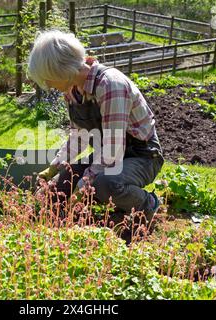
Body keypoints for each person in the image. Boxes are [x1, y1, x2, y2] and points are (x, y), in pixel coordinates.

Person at [27, 30, 164, 222]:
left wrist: (85, 184)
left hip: (142, 155)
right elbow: (79, 136)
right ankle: (112, 203)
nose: (47, 84)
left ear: (59, 69)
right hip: (109, 154)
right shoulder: (73, 90)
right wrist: (56, 165)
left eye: (47, 78)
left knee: (105, 183)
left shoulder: (110, 85)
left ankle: (148, 204)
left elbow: (112, 149)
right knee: (59, 187)